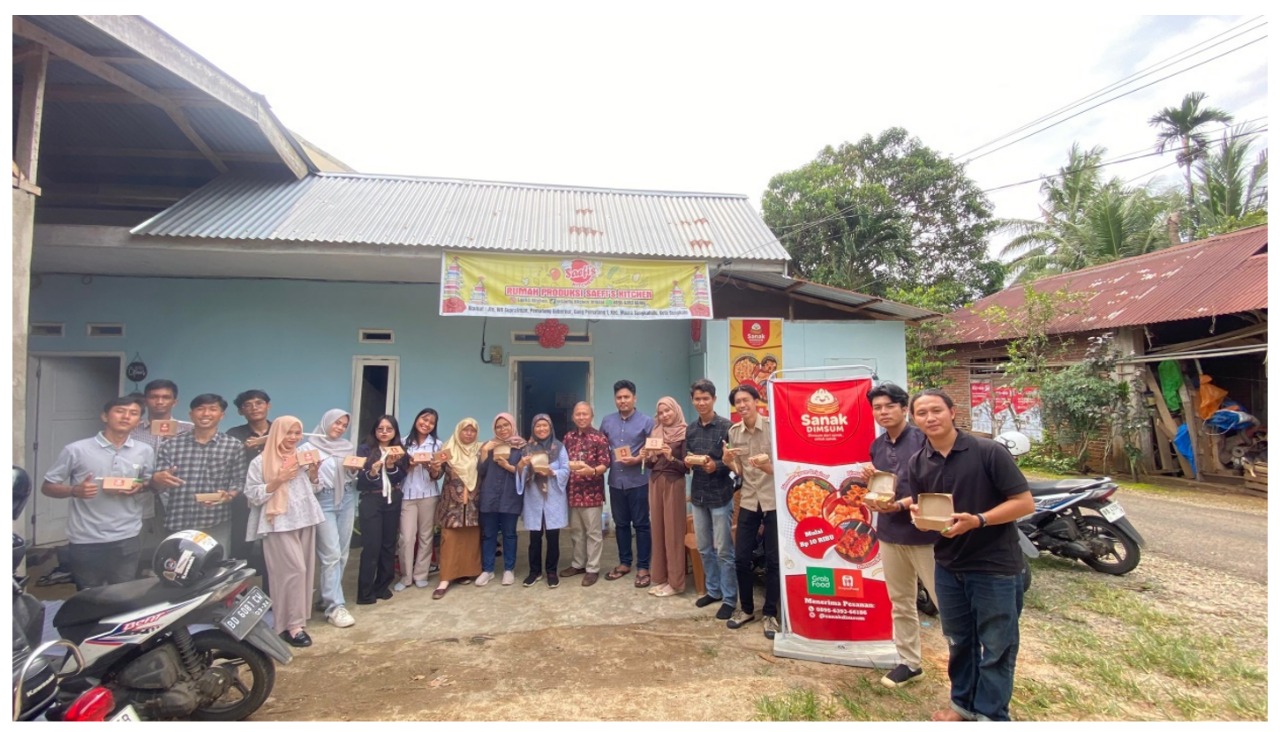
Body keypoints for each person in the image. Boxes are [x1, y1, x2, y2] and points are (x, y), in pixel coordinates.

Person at [905, 389, 1034, 722]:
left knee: (997, 647)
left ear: (952, 412)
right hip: (948, 565)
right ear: (914, 419)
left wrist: (978, 520)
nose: (930, 418)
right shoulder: (919, 461)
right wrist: (920, 516)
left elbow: (1023, 503)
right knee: (959, 641)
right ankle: (962, 705)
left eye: (936, 410)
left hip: (995, 566)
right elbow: (926, 507)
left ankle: (991, 714)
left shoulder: (988, 451)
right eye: (922, 413)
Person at [860, 382, 937, 688]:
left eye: (889, 406)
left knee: (945, 600)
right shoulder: (877, 446)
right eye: (877, 407)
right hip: (890, 532)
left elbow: (934, 485)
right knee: (901, 601)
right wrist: (871, 482)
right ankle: (910, 663)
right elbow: (883, 488)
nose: (883, 412)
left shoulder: (923, 439)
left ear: (904, 408)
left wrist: (901, 504)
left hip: (924, 534)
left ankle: (966, 666)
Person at [41, 395, 153, 590]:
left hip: (127, 536)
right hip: (86, 538)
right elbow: (48, 486)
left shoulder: (145, 451)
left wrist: (140, 486)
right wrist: (74, 490)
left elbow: (147, 481)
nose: (126, 416)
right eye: (120, 411)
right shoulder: (76, 450)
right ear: (105, 416)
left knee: (122, 593)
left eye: (133, 413)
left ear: (138, 422)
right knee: (88, 594)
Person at [243, 416, 325, 648]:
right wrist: (277, 480)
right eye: (288, 432)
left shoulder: (301, 457)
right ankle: (291, 625)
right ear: (277, 433)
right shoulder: (260, 461)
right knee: (292, 572)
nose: (293, 438)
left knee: (305, 571)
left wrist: (313, 473)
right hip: (278, 522)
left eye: (297, 433)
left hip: (305, 518)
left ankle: (298, 620)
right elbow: (251, 494)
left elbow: (313, 489)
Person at [151, 393, 248, 551]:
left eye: (213, 409)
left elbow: (239, 480)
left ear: (222, 415)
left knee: (214, 564)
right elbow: (158, 485)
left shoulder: (233, 446)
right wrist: (158, 479)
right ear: (191, 414)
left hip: (216, 521)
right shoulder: (170, 445)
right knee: (178, 565)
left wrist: (229, 495)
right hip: (178, 520)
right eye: (200, 409)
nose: (206, 413)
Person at [723, 384, 779, 636]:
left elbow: (784, 467)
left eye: (746, 400)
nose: (742, 405)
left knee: (773, 560)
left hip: (773, 500)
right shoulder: (734, 432)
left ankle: (770, 614)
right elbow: (740, 471)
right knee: (741, 558)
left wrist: (768, 468)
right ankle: (746, 609)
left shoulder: (772, 427)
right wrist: (729, 463)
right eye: (738, 402)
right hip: (748, 499)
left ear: (757, 401)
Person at [685, 378, 736, 621]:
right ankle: (713, 591)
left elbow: (734, 462)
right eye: (697, 399)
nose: (701, 402)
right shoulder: (690, 429)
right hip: (698, 496)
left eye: (706, 398)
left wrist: (716, 465)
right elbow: (688, 454)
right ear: (692, 400)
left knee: (724, 550)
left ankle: (729, 598)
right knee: (705, 548)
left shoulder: (727, 427)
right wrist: (688, 461)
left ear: (714, 399)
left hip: (721, 496)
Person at [303, 409, 358, 629]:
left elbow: (351, 476)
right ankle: (335, 607)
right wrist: (313, 475)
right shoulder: (308, 448)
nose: (340, 428)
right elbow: (303, 484)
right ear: (326, 422)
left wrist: (353, 470)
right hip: (323, 500)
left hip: (347, 498)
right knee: (331, 554)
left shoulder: (347, 446)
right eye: (337, 423)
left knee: (343, 553)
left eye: (344, 425)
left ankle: (325, 597)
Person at [598, 380, 654, 587]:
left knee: (641, 524)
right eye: (619, 397)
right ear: (615, 400)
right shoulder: (607, 421)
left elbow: (653, 451)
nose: (623, 401)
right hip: (616, 481)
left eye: (626, 397)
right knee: (620, 524)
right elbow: (600, 447)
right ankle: (624, 563)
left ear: (634, 398)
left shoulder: (647, 422)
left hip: (639, 481)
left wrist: (638, 459)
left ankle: (643, 567)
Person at [130, 379, 192, 559]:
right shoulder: (132, 430)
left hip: (177, 496)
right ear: (145, 400)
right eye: (154, 397)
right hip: (138, 494)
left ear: (175, 401)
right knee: (132, 547)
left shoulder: (189, 430)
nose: (159, 401)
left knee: (176, 550)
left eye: (166, 397)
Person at [354, 415, 408, 605]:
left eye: (389, 429)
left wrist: (391, 465)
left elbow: (401, 476)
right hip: (371, 499)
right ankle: (365, 592)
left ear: (395, 432)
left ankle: (382, 586)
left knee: (388, 544)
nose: (384, 432)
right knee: (371, 545)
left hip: (393, 498)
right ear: (374, 431)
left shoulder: (399, 450)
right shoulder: (364, 449)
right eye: (380, 429)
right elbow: (360, 482)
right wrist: (372, 472)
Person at [642, 396, 689, 598]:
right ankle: (661, 578)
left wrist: (671, 457)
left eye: (667, 410)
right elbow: (651, 465)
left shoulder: (685, 433)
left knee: (673, 532)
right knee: (658, 530)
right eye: (660, 413)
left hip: (673, 483)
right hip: (655, 483)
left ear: (675, 410)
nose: (664, 415)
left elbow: (686, 467)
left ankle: (676, 583)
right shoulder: (656, 432)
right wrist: (646, 457)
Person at [516, 414, 570, 588]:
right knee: (534, 537)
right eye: (538, 426)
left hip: (553, 496)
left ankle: (552, 571)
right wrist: (524, 466)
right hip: (534, 497)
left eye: (545, 425)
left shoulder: (559, 447)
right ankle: (534, 571)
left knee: (553, 537)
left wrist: (552, 472)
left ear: (550, 427)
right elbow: (522, 474)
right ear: (533, 428)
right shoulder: (527, 448)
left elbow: (566, 469)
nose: (541, 429)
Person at [560, 402, 611, 587]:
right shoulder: (568, 437)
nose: (581, 417)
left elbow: (605, 463)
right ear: (573, 416)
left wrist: (593, 471)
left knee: (593, 533)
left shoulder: (599, 438)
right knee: (576, 532)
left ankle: (592, 568)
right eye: (578, 414)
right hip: (573, 492)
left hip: (592, 493)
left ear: (591, 416)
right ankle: (578, 564)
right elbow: (562, 462)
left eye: (585, 414)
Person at [433, 418, 483, 599]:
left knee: (469, 539)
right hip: (451, 504)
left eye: (473, 431)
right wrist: (434, 467)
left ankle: (464, 572)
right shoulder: (447, 449)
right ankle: (445, 579)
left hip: (473, 503)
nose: (469, 434)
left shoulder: (479, 450)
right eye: (465, 430)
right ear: (458, 431)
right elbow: (436, 475)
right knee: (450, 540)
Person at [396, 408, 445, 592]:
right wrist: (410, 465)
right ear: (417, 419)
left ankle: (421, 574)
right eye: (424, 419)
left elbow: (438, 475)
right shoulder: (402, 443)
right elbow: (397, 472)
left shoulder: (437, 444)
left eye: (431, 422)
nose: (426, 424)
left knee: (426, 536)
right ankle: (406, 576)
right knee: (406, 538)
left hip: (429, 495)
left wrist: (433, 468)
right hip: (407, 496)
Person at [227, 389, 273, 581]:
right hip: (244, 498)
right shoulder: (234, 435)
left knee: (272, 548)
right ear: (241, 411)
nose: (254, 408)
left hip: (274, 496)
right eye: (248, 405)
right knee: (241, 545)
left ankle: (271, 593)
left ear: (268, 406)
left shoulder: (281, 431)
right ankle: (239, 592)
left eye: (259, 403)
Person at [476, 413, 525, 587]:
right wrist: (484, 451)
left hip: (510, 496)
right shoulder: (488, 446)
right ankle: (487, 570)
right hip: (489, 495)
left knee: (509, 534)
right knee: (489, 534)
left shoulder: (521, 447)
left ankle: (508, 569)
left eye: (506, 425)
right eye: (498, 426)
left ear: (512, 426)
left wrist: (508, 466)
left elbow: (525, 474)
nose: (502, 429)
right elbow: (480, 471)